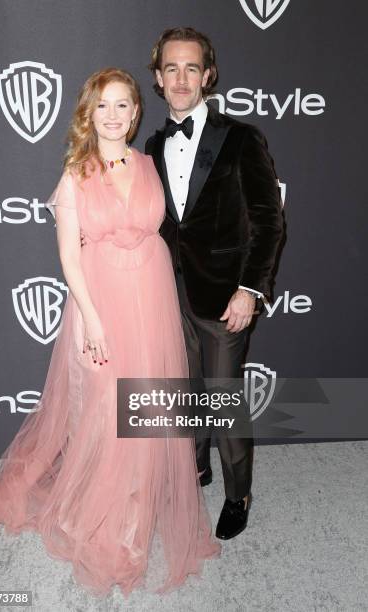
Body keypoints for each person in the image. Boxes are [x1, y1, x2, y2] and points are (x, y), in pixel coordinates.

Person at [0, 68, 220, 596]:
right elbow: (68, 259)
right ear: (88, 113)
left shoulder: (148, 164)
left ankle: (134, 515)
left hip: (150, 294)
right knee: (103, 409)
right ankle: (93, 513)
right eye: (104, 106)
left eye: (124, 105)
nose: (115, 115)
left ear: (136, 111)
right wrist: (91, 321)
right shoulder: (76, 171)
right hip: (99, 302)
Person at [144, 28, 284, 540]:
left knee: (224, 400)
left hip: (226, 298)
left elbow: (269, 221)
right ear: (158, 78)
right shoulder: (154, 145)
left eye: (191, 68)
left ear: (209, 74)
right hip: (167, 296)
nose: (182, 79)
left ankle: (237, 493)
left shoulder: (241, 137)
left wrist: (251, 289)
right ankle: (194, 469)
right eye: (171, 69)